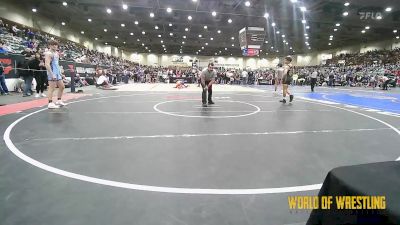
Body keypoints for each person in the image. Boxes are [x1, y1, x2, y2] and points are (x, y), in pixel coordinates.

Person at [44, 40, 66, 109]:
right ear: (49, 45)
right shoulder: (48, 53)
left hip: (57, 73)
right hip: (52, 72)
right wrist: (52, 74)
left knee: (62, 86)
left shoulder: (56, 53)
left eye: (56, 45)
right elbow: (47, 64)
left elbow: (57, 64)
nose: (55, 46)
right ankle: (50, 103)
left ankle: (59, 100)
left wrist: (60, 73)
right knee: (52, 88)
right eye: (53, 45)